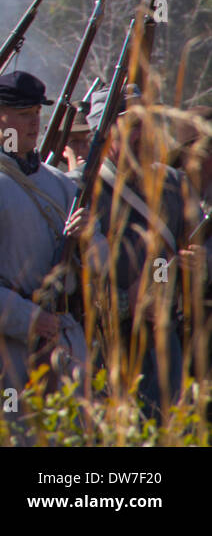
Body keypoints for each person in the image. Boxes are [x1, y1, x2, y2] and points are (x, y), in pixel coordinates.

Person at [0, 72, 104, 401]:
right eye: (23, 115)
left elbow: (102, 264)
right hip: (10, 347)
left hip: (66, 339)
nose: (34, 123)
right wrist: (28, 318)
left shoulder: (59, 182)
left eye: (36, 113)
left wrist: (89, 239)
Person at [76, 86, 190, 415]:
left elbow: (182, 250)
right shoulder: (77, 189)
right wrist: (126, 300)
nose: (143, 133)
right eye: (132, 125)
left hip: (163, 342)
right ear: (103, 131)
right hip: (105, 344)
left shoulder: (172, 184)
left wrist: (178, 273)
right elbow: (65, 276)